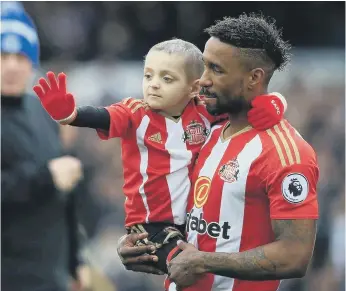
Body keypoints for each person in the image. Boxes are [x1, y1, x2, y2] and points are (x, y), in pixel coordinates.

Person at [32, 37, 287, 274]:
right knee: (186, 270)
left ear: (193, 88)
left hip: (195, 220)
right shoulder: (135, 113)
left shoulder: (203, 111)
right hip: (151, 225)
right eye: (148, 75)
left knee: (213, 261)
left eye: (167, 78)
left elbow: (244, 104)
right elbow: (103, 115)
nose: (153, 84)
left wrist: (276, 102)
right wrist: (71, 115)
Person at [117, 13, 319, 291]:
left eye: (216, 70)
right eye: (203, 68)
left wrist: (203, 262)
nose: (202, 80)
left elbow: (295, 256)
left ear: (254, 78)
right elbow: (191, 227)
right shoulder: (206, 132)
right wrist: (142, 243)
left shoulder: (286, 152)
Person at [1, 5, 84, 291]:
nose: (11, 65)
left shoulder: (41, 112)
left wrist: (75, 261)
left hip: (52, 274)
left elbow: (65, 194)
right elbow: (50, 177)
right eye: (2, 56)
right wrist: (45, 178)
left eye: (20, 56)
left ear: (31, 61)